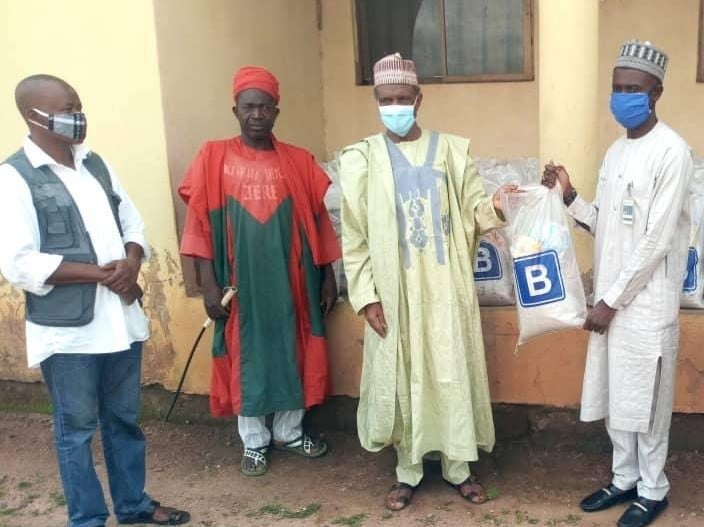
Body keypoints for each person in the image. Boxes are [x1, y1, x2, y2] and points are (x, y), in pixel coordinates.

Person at [0, 74, 189, 526]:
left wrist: (132, 261)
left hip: (119, 321)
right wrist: (102, 275)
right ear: (34, 115)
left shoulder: (95, 164)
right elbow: (19, 263)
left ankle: (133, 506)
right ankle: (87, 519)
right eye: (67, 108)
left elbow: (133, 224)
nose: (78, 116)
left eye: (78, 106)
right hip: (68, 334)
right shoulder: (14, 177)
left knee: (123, 421)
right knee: (77, 431)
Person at [337, 53, 517, 511]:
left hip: (445, 289)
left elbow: (475, 213)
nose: (394, 106)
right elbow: (354, 236)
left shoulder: (452, 151)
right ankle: (408, 469)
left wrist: (497, 205)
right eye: (386, 99)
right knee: (404, 375)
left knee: (450, 370)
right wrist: (366, 297)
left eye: (402, 98)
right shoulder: (362, 159)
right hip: (393, 292)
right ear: (376, 100)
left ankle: (459, 466)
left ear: (419, 99)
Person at [542, 40, 693, 527]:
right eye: (617, 88)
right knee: (617, 397)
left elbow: (656, 240)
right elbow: (607, 225)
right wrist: (570, 197)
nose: (622, 97)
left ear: (656, 92)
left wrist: (609, 300)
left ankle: (652, 489)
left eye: (633, 89)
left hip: (646, 303)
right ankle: (624, 478)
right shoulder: (615, 151)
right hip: (611, 298)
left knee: (646, 402)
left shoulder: (672, 151)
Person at [178, 66, 340, 477]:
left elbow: (319, 221)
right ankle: (254, 441)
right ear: (235, 110)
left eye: (264, 107)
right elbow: (199, 223)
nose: (257, 114)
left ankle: (289, 432)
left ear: (276, 112)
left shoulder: (298, 161)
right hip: (239, 283)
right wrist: (208, 283)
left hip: (294, 281)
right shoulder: (213, 157)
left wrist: (327, 276)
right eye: (248, 107)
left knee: (294, 349)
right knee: (243, 353)